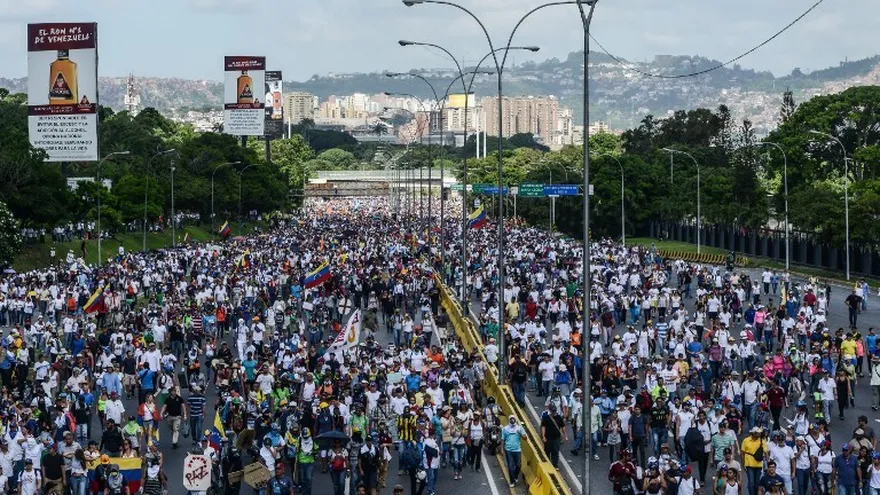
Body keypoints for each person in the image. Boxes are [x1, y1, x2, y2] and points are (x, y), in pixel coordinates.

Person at [502, 415, 526, 488]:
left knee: (518, 465)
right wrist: (502, 449)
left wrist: (520, 434)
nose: (512, 421)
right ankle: (512, 481)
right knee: (510, 466)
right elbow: (503, 439)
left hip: (517, 450)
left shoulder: (519, 428)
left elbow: (525, 438)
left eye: (513, 419)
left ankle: (515, 476)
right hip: (508, 450)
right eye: (511, 420)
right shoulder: (505, 429)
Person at [742, 427, 768, 495]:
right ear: (753, 433)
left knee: (757, 483)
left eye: (760, 433)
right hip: (749, 464)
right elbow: (742, 453)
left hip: (758, 464)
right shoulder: (746, 440)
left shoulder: (762, 441)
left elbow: (766, 453)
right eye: (757, 433)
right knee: (751, 482)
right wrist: (743, 464)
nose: (759, 435)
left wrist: (769, 463)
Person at [541, 403, 567, 469]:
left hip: (556, 438)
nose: (554, 412)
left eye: (555, 411)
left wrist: (565, 435)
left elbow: (563, 427)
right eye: (553, 411)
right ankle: (547, 463)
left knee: (555, 451)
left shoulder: (559, 418)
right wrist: (543, 436)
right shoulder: (546, 418)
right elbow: (543, 427)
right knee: (547, 451)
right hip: (548, 437)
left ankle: (555, 464)